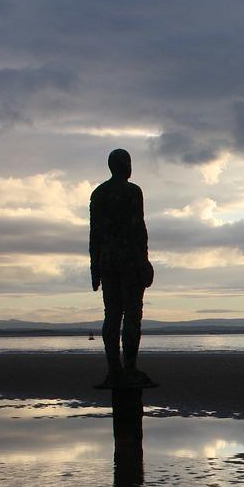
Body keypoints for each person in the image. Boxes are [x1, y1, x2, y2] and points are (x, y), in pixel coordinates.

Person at [90, 149, 154, 387]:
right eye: (128, 163)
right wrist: (143, 262)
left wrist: (95, 268)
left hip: (107, 262)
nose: (130, 167)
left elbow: (94, 235)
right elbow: (138, 230)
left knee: (113, 315)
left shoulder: (99, 193)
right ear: (123, 165)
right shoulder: (131, 192)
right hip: (128, 261)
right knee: (131, 314)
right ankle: (128, 368)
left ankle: (115, 369)